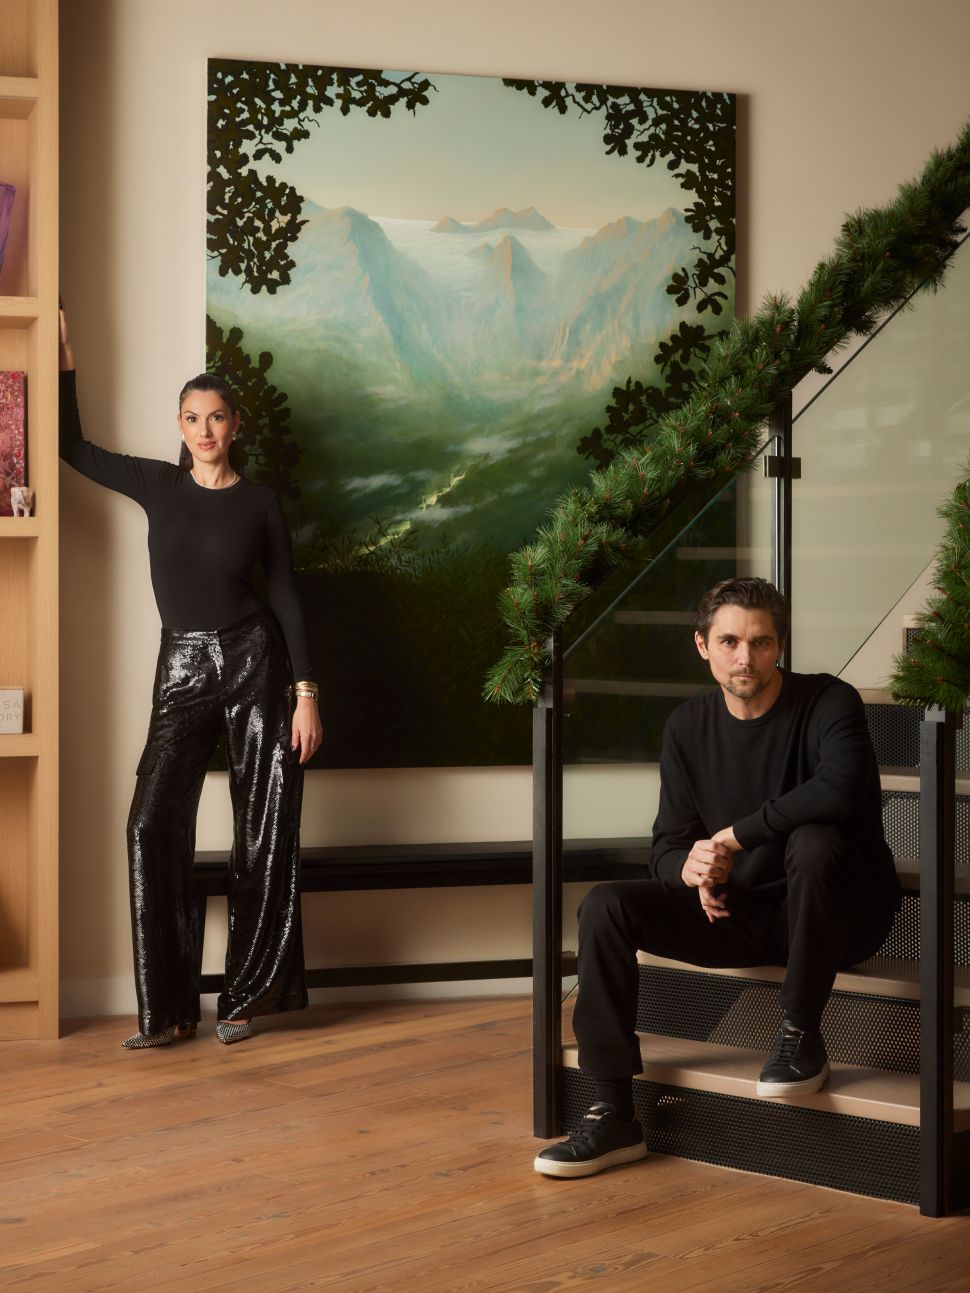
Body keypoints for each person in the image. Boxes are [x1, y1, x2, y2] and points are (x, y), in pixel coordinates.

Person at [534, 576, 901, 1178]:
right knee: (605, 905)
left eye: (760, 642)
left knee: (815, 841)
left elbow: (840, 790)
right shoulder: (687, 726)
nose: (745, 657)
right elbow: (667, 845)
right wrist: (690, 867)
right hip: (738, 916)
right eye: (729, 641)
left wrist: (732, 837)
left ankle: (800, 1032)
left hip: (840, 917)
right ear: (702, 645)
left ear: (780, 645)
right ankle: (612, 1111)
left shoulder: (829, 701)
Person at [59, 307, 323, 1048]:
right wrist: (66, 364)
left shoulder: (261, 503)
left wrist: (306, 693)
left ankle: (240, 998)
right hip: (181, 665)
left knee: (263, 826)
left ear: (235, 425)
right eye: (191, 417)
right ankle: (170, 1011)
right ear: (179, 425)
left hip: (255, 662)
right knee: (150, 821)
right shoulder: (156, 484)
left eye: (215, 417)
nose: (203, 430)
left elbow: (288, 599)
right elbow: (68, 445)